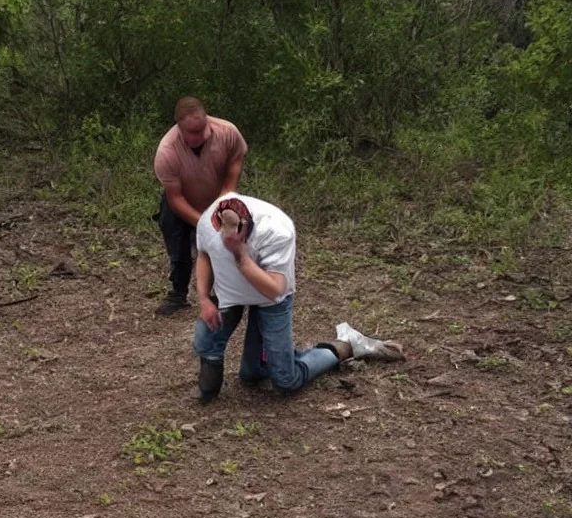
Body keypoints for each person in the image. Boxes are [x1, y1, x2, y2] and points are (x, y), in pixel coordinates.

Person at [193, 194, 405, 403]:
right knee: (249, 372)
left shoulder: (277, 232)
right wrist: (204, 298)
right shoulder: (207, 224)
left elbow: (275, 289)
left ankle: (347, 344)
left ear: (247, 227)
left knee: (285, 380)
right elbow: (204, 255)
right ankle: (269, 360)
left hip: (270, 297)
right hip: (232, 292)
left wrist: (239, 254)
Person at [153, 97, 248, 315]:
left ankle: (222, 294)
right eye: (192, 132)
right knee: (178, 248)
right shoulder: (167, 150)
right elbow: (175, 198)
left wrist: (227, 197)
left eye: (202, 129)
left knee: (223, 243)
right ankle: (178, 295)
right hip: (181, 202)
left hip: (217, 198)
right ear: (179, 128)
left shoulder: (227, 132)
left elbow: (235, 161)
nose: (200, 135)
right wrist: (204, 222)